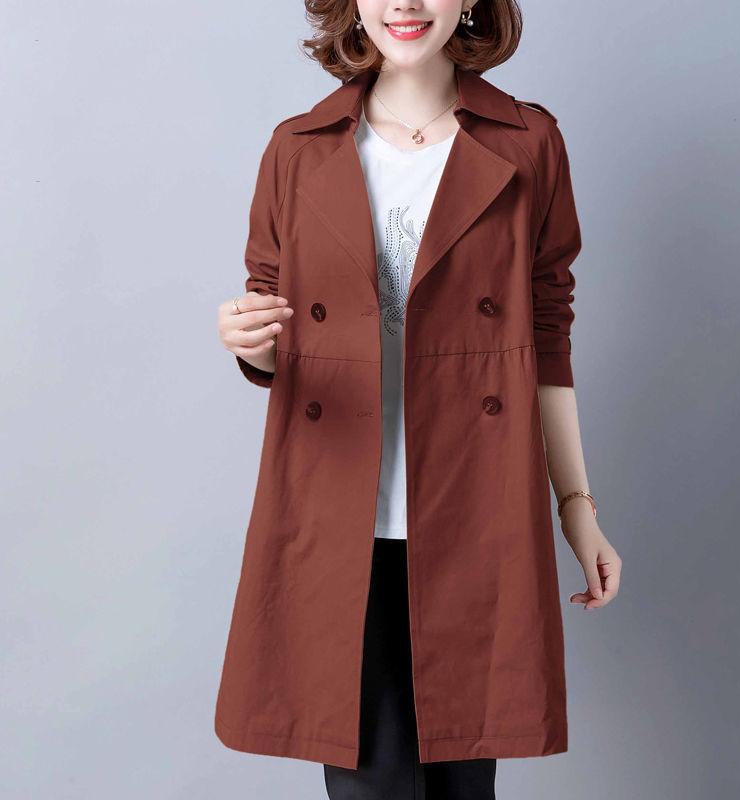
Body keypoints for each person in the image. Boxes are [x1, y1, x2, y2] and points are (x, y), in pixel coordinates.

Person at [215, 2, 622, 798]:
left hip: (476, 504)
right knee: (367, 782)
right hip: (338, 515)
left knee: (465, 781)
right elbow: (273, 318)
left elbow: (544, 338)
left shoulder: (528, 142)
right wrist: (249, 339)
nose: (404, 4)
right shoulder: (298, 148)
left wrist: (577, 508)